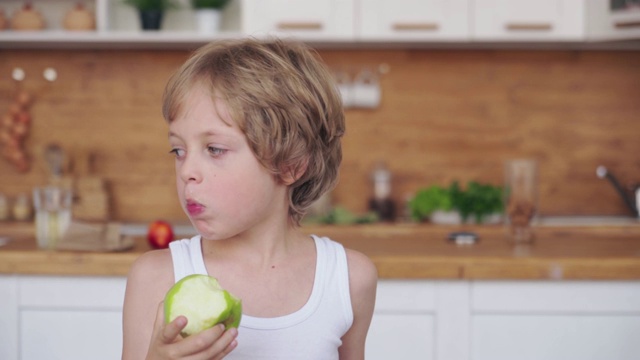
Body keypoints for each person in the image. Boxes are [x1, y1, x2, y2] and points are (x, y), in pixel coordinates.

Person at [121, 37, 378, 360]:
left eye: (214, 149)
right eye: (179, 150)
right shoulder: (155, 278)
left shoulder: (348, 279)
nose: (187, 170)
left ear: (290, 166)